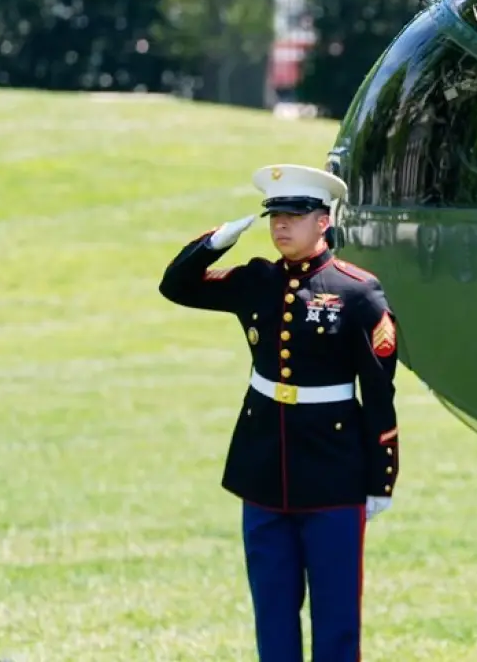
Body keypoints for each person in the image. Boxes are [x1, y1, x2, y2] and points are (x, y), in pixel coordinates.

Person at [158, 164, 401, 662]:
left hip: (333, 472)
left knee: (335, 621)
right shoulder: (257, 281)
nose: (281, 225)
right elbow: (176, 286)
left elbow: (379, 393)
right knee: (272, 614)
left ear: (323, 221)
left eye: (295, 215)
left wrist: (381, 479)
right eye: (275, 216)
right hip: (264, 468)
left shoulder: (357, 292)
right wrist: (216, 242)